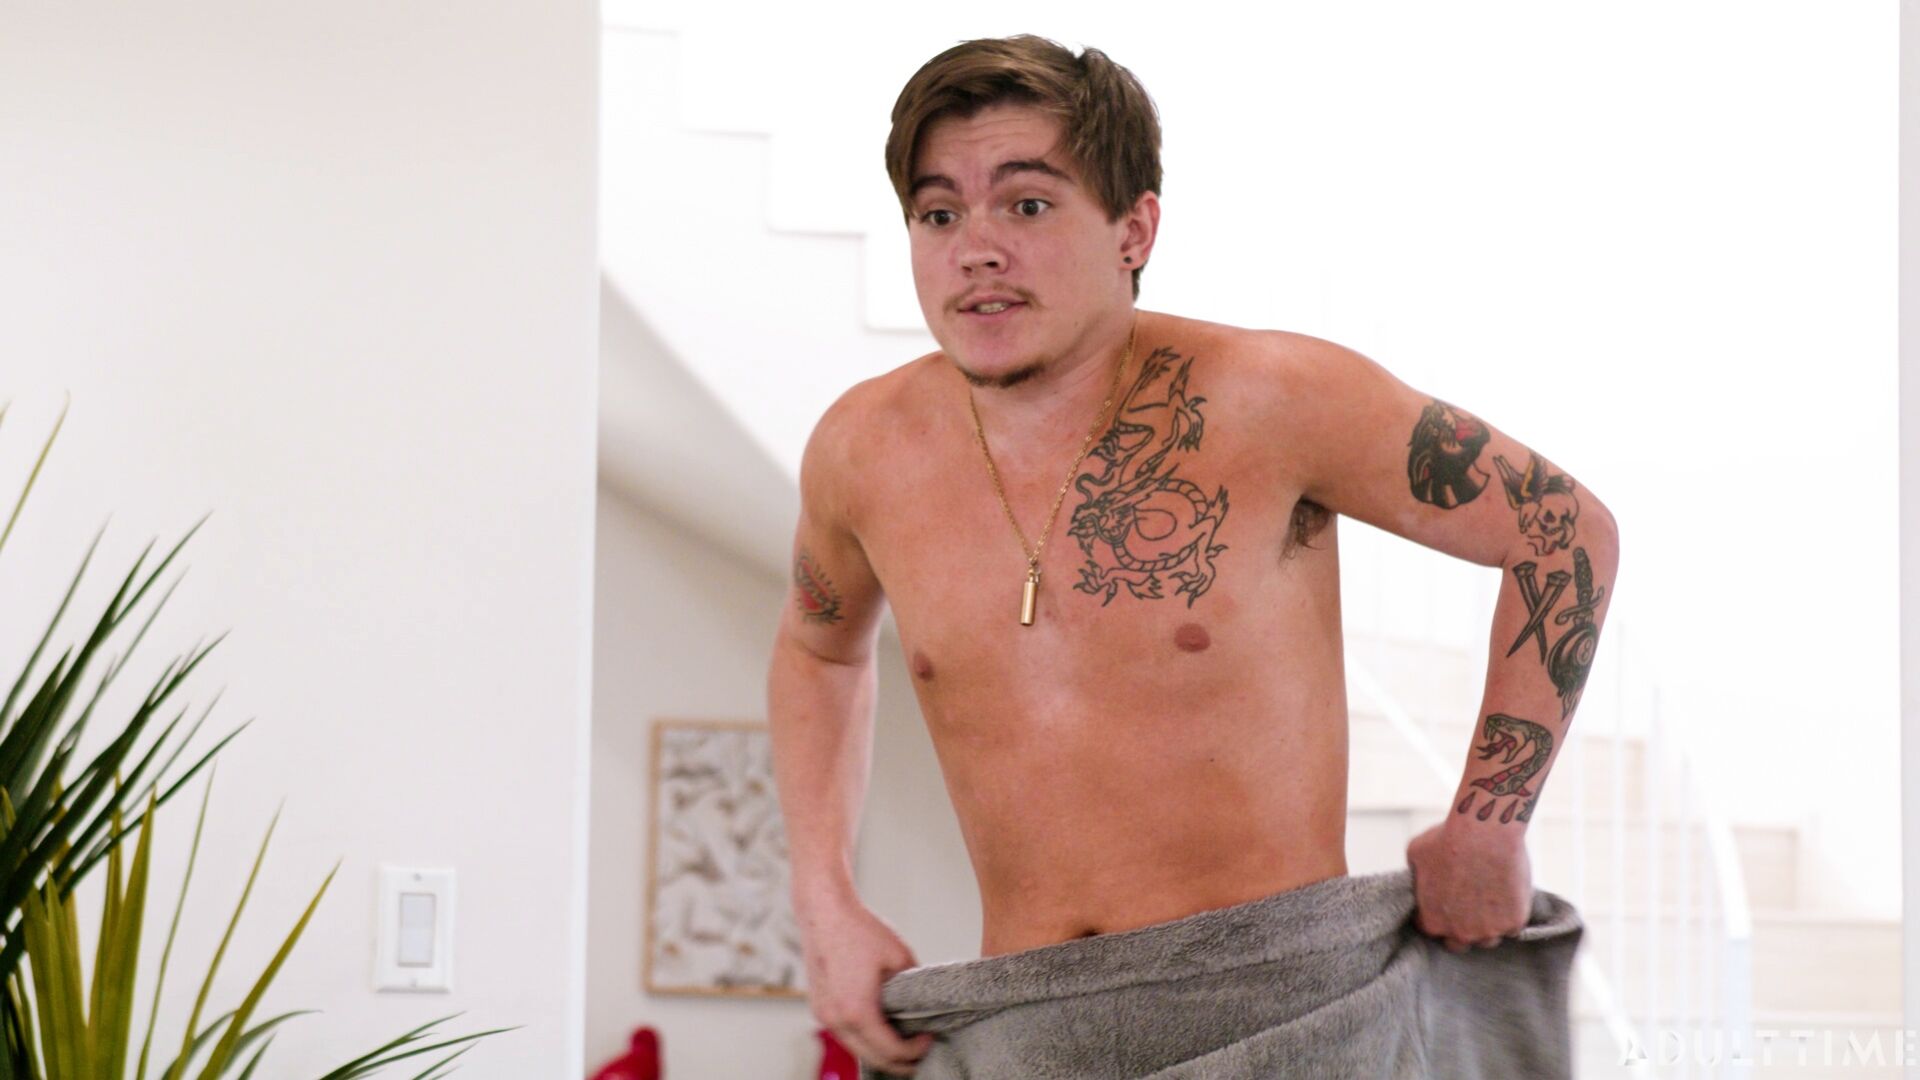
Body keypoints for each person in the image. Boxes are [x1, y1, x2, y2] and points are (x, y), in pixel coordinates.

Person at [765, 33, 1619, 1078]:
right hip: (1029, 1024)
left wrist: (1489, 823)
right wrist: (824, 899)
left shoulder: (1274, 398)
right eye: (939, 214)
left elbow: (1562, 528)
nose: (976, 249)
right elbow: (818, 650)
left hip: (1287, 1011)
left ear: (1134, 228)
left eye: (1026, 205)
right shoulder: (864, 449)